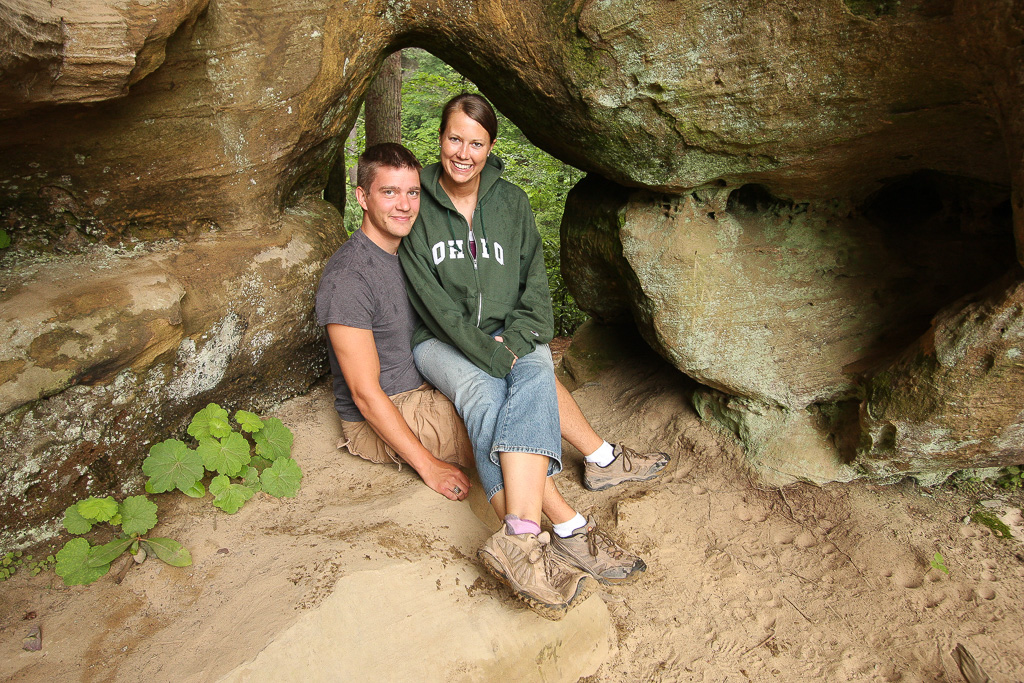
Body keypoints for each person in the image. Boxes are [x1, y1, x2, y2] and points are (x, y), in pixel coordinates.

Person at [398, 95, 670, 619]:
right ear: (440, 139)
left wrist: (519, 343)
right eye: (455, 139)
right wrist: (494, 357)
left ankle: (523, 538)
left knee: (538, 365)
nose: (463, 152)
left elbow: (537, 294)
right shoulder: (418, 204)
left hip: (510, 332)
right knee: (485, 392)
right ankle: (567, 525)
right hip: (438, 342)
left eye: (475, 143)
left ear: (490, 148)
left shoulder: (513, 204)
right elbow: (434, 308)